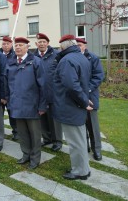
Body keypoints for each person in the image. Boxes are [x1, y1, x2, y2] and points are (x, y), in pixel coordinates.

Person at [53, 34, 92, 180]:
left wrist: (84, 101)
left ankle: (80, 171)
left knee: (75, 142)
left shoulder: (67, 60)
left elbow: (72, 86)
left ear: (64, 45)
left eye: (60, 45)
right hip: (76, 105)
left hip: (70, 106)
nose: (58, 48)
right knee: (80, 140)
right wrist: (85, 100)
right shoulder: (80, 57)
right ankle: (83, 168)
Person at [5, 37, 46, 169]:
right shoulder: (11, 63)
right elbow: (7, 84)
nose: (17, 47)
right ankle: (26, 154)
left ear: (27, 47)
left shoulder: (35, 62)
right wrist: (9, 101)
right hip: (17, 104)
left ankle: (35, 158)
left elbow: (43, 85)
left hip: (32, 105)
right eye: (16, 45)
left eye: (21, 45)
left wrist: (42, 105)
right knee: (22, 133)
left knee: (34, 134)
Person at [33, 33, 63, 152]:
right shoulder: (33, 56)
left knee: (54, 119)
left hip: (52, 92)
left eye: (44, 42)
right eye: (39, 42)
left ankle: (57, 141)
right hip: (39, 93)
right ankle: (47, 138)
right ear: (36, 44)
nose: (42, 44)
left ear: (48, 43)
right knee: (42, 118)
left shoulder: (56, 55)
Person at [76, 37, 104, 161]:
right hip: (76, 97)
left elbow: (98, 76)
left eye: (80, 45)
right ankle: (85, 146)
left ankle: (96, 150)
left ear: (85, 46)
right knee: (80, 124)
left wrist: (87, 89)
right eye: (76, 45)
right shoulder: (73, 58)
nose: (78, 47)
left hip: (90, 96)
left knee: (92, 125)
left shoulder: (93, 58)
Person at [0, 35, 18, 141]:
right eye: (4, 44)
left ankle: (16, 131)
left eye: (7, 44)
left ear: (11, 45)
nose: (5, 46)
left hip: (11, 89)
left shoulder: (15, 56)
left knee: (12, 113)